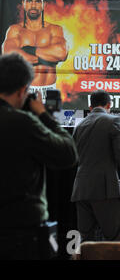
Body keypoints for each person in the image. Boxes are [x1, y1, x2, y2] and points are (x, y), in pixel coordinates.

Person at [0, 52, 78, 259]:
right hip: (20, 233)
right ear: (23, 90)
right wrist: (44, 114)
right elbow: (67, 153)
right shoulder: (22, 123)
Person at [71, 90, 120, 242]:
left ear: (90, 107)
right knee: (115, 236)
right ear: (109, 105)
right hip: (105, 192)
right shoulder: (113, 121)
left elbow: (78, 158)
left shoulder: (80, 125)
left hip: (81, 189)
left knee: (86, 241)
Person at [1, 0, 68, 101]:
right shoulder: (15, 30)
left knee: (48, 119)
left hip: (49, 90)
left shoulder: (55, 29)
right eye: (29, 1)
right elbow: (10, 56)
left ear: (43, 4)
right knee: (23, 119)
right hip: (23, 90)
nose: (33, 5)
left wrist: (28, 50)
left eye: (37, 1)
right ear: (24, 3)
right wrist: (49, 58)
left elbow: (61, 53)